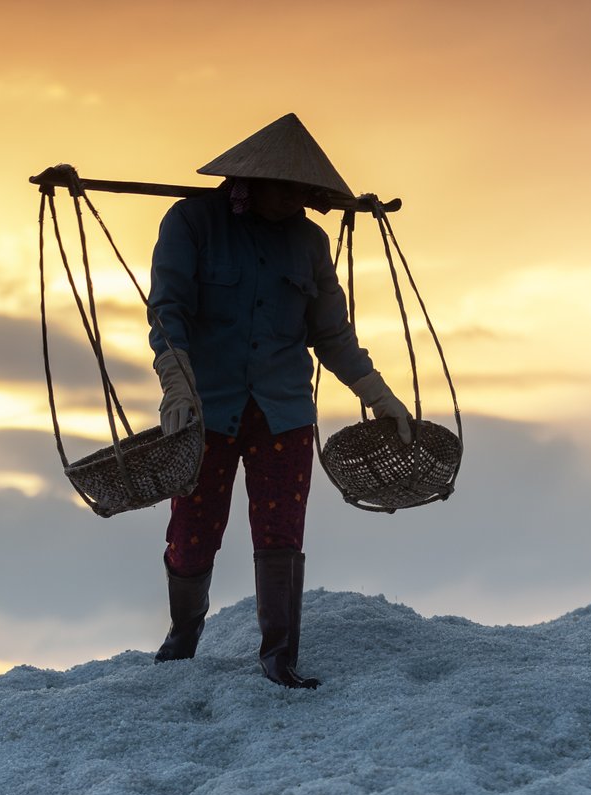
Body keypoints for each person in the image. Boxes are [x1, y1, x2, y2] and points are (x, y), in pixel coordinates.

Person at [146, 113, 412, 688]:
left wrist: (378, 394)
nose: (298, 200)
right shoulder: (192, 223)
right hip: (206, 409)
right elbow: (168, 314)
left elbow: (332, 336)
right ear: (251, 180)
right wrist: (177, 384)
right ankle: (183, 635)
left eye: (305, 192)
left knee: (281, 532)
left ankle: (279, 657)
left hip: (283, 412)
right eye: (287, 188)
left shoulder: (309, 244)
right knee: (193, 530)